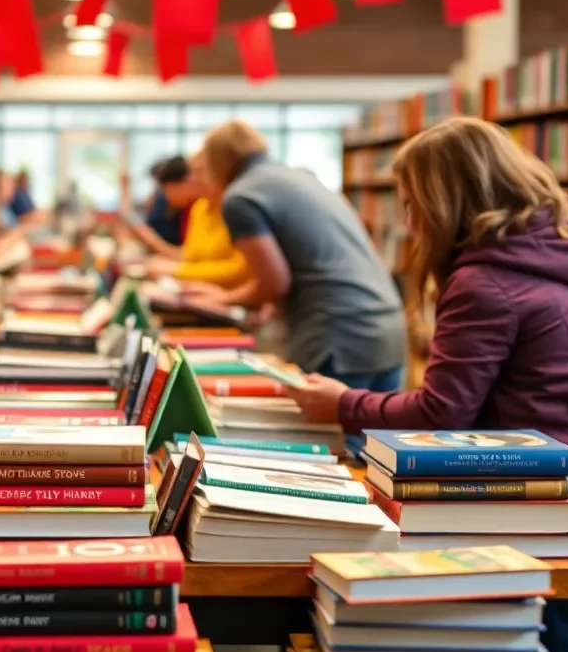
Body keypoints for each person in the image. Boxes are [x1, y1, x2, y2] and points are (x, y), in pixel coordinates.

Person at [285, 117, 568, 652]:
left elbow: (441, 411)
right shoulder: (560, 248)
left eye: (412, 204)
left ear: (445, 200)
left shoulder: (485, 280)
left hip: (548, 492)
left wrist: (340, 402)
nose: (409, 222)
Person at [196, 120, 404, 426]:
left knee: (332, 454)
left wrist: (224, 299)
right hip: (387, 326)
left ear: (216, 161)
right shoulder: (302, 178)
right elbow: (311, 258)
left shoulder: (240, 197)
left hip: (338, 336)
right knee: (375, 457)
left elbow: (274, 282)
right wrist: (269, 306)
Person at [141, 152, 251, 289]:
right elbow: (191, 257)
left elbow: (241, 271)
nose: (191, 179)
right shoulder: (199, 208)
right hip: (197, 292)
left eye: (199, 172)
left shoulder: (237, 209)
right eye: (191, 172)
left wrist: (176, 270)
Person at [143, 156, 194, 248]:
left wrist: (153, 241)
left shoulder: (195, 208)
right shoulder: (163, 201)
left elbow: (188, 255)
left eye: (167, 188)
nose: (165, 194)